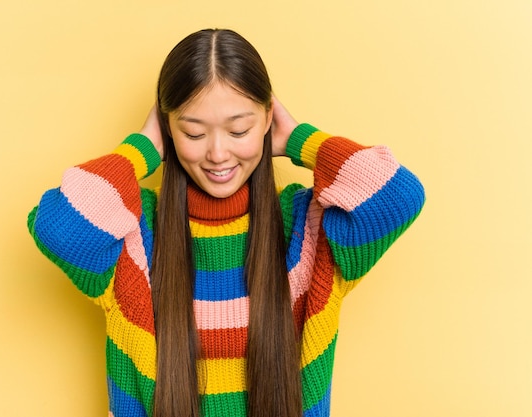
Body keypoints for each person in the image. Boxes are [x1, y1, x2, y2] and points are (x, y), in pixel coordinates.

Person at [27, 28, 425, 417]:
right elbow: (58, 226)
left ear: (269, 119)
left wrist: (300, 138)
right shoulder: (133, 237)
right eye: (193, 132)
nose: (218, 153)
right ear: (169, 129)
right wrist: (141, 148)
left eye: (239, 130)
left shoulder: (309, 232)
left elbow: (398, 196)